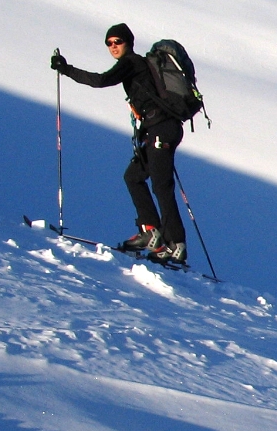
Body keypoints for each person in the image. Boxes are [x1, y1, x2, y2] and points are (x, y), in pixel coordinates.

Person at [51, 24, 187, 265]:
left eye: (118, 41)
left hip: (162, 129)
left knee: (161, 186)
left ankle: (175, 245)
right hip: (158, 129)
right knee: (133, 176)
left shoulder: (132, 62)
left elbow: (102, 80)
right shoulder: (136, 65)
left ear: (128, 43)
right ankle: (151, 232)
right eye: (109, 42)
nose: (113, 46)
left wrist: (67, 69)